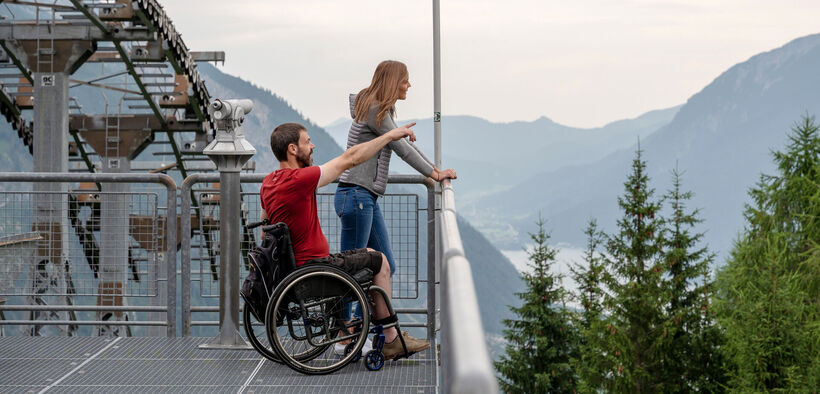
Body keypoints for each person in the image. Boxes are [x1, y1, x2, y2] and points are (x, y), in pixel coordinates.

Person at [259, 122, 429, 360]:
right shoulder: (299, 179)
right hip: (315, 270)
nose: (313, 145)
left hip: (296, 271)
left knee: (365, 252)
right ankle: (391, 338)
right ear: (292, 149)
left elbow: (264, 231)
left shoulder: (269, 183)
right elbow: (350, 159)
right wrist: (389, 135)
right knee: (380, 261)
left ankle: (348, 332)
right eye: (307, 141)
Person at [335, 60, 457, 277]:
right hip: (356, 195)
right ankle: (344, 313)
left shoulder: (380, 109)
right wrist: (435, 174)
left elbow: (407, 145)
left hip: (364, 196)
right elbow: (403, 149)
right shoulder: (375, 110)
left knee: (385, 265)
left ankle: (366, 312)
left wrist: (435, 170)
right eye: (405, 80)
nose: (409, 85)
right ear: (393, 82)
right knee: (350, 271)